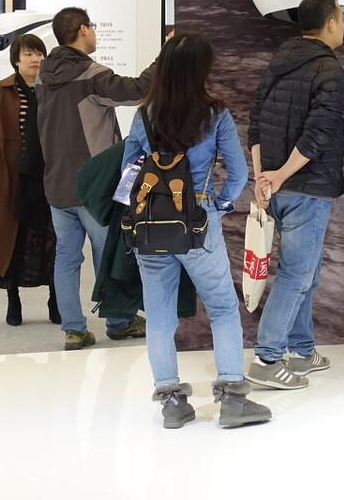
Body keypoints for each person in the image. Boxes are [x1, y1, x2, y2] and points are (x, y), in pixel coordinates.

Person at [122, 33, 272, 430]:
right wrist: (216, 206)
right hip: (198, 223)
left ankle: (171, 402)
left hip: (150, 228)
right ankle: (232, 400)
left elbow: (127, 175)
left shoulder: (144, 115)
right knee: (221, 308)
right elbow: (238, 173)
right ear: (200, 70)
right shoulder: (214, 114)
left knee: (158, 317)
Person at [246, 0, 344, 390]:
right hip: (307, 187)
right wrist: (280, 175)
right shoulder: (329, 69)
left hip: (278, 186)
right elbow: (319, 133)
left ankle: (302, 350)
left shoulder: (278, 63)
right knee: (297, 274)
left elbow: (256, 123)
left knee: (305, 272)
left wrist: (263, 178)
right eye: (341, 16)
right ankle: (267, 359)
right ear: (331, 22)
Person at [37, 7, 151, 350]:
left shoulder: (43, 76)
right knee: (109, 254)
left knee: (66, 258)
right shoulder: (91, 74)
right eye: (93, 27)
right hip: (93, 188)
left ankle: (74, 329)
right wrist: (165, 59)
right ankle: (118, 321)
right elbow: (138, 91)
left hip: (56, 184)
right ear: (83, 29)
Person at [0, 34, 59, 327]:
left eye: (39, 54)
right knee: (14, 241)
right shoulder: (1, 89)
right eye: (29, 54)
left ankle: (56, 298)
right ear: (16, 59)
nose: (35, 59)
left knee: (51, 241)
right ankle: (13, 299)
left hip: (47, 176)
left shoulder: (52, 87)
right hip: (12, 176)